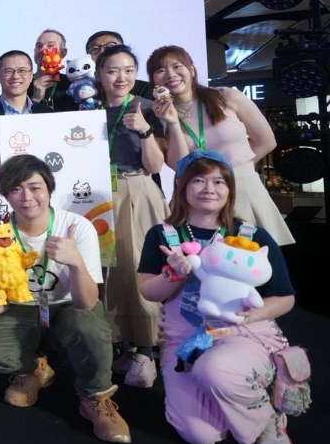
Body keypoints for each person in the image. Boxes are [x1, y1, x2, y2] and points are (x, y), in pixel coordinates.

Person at [138, 150, 297, 444]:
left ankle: (265, 417)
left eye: (219, 182)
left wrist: (248, 317)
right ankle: (230, 395)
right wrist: (173, 274)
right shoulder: (162, 234)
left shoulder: (252, 236)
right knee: (201, 435)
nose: (209, 189)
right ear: (182, 186)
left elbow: (285, 297)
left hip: (242, 335)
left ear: (230, 189)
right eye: (198, 180)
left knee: (215, 370)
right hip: (185, 340)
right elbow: (148, 291)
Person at [0, 155, 130, 444]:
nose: (26, 197)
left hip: (68, 305)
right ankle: (33, 369)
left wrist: (76, 262)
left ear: (49, 190)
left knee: (90, 328)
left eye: (35, 187)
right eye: (16, 189)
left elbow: (88, 302)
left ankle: (95, 397)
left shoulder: (77, 227)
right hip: (17, 307)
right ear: (6, 195)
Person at [149, 45, 293, 246]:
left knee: (252, 256)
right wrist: (172, 123)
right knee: (197, 259)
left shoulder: (227, 97)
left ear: (192, 69)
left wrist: (237, 170)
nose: (170, 74)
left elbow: (267, 141)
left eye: (177, 66)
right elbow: (179, 164)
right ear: (154, 81)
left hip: (242, 188)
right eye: (160, 70)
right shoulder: (158, 115)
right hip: (196, 196)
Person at [96, 45, 168, 388]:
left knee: (141, 267)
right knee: (108, 271)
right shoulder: (89, 111)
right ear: (100, 75)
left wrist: (144, 130)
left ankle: (147, 351)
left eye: (128, 70)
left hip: (136, 189)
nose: (120, 77)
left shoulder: (148, 108)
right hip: (97, 196)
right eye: (112, 71)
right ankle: (123, 342)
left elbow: (155, 166)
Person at [0, 50, 56, 116]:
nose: (15, 76)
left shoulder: (47, 114)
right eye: (8, 71)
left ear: (31, 75)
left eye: (22, 70)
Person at [86, 31, 152, 97]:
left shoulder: (146, 90)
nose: (102, 51)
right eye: (95, 49)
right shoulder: (83, 91)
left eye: (110, 46)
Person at [30, 29, 77, 111]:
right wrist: (35, 99)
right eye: (39, 46)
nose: (43, 49)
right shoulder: (23, 85)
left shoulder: (72, 84)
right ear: (34, 51)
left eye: (50, 45)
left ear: (63, 53)